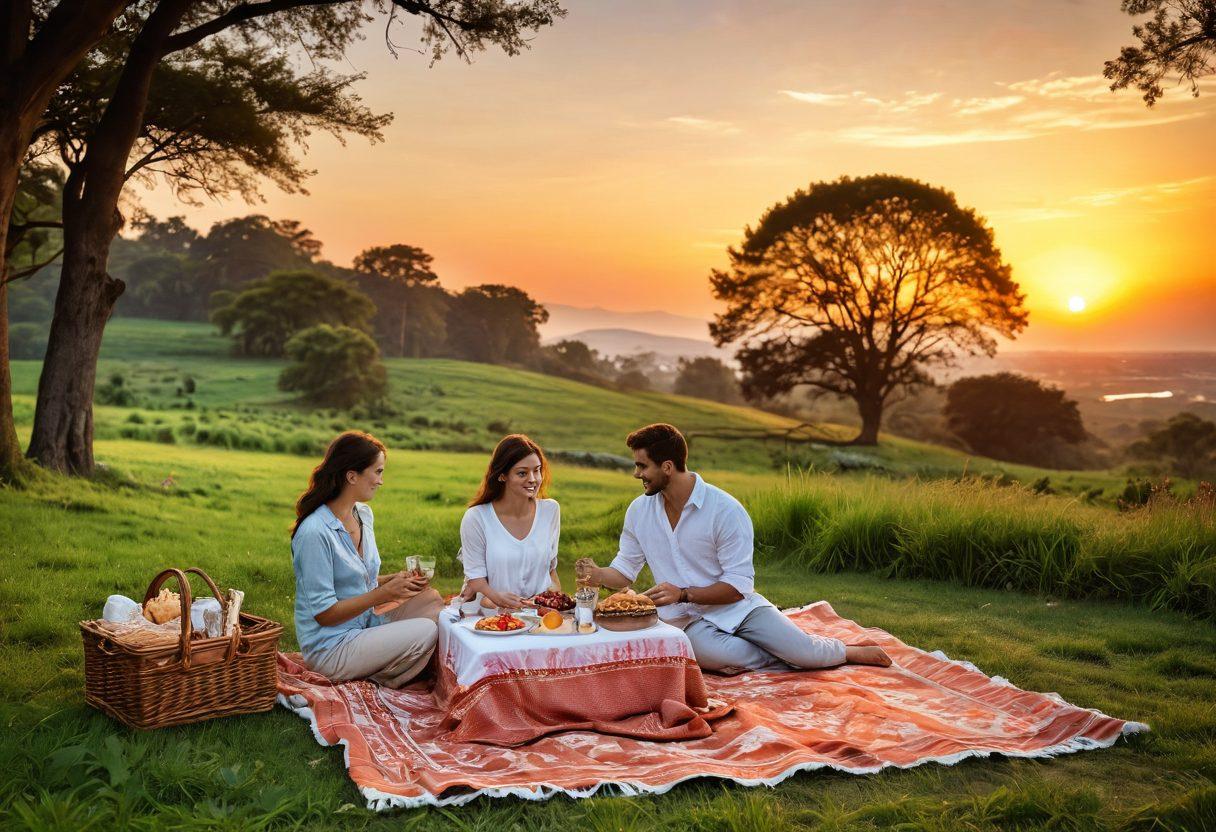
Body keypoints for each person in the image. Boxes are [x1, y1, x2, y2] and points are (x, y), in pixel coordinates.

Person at [577, 423, 891, 675]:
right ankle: (785, 656)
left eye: (642, 466)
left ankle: (840, 652)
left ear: (668, 466)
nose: (636, 474)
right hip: (685, 621)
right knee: (715, 658)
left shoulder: (725, 510)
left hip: (738, 608)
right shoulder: (639, 511)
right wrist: (596, 574)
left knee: (805, 653)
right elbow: (623, 572)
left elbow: (739, 586)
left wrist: (683, 593)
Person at [291, 431, 443, 688]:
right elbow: (324, 615)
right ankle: (378, 678)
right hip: (332, 646)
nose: (381, 481)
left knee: (432, 602)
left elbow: (356, 579)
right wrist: (383, 594)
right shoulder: (314, 532)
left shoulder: (363, 514)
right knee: (427, 631)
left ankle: (383, 664)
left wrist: (393, 579)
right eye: (378, 471)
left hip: (365, 625)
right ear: (352, 476)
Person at [459, 434, 562, 610]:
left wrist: (552, 602)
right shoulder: (477, 517)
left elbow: (551, 568)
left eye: (537, 470)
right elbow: (475, 577)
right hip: (492, 612)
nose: (533, 479)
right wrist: (496, 597)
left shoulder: (550, 510)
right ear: (502, 476)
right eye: (522, 473)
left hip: (539, 613)